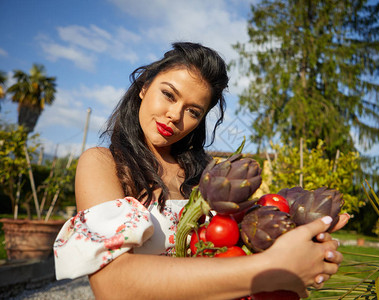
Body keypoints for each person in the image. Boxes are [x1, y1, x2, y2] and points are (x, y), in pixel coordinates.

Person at [54, 42, 349, 299]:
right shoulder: (102, 164)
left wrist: (304, 230)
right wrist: (269, 269)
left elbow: (243, 242)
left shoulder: (210, 176)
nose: (174, 115)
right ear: (144, 87)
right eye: (169, 94)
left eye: (193, 111)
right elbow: (113, 285)